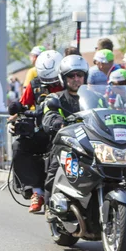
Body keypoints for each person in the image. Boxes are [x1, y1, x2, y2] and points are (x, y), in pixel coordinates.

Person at [11, 50, 64, 213]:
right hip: (42, 131)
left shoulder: (69, 82)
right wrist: (13, 121)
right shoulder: (34, 84)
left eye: (54, 80)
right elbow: (22, 105)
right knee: (19, 146)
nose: (51, 85)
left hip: (67, 131)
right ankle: (36, 191)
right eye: (47, 81)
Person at [42, 55, 90, 204]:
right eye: (71, 75)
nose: (76, 79)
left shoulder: (95, 97)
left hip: (91, 145)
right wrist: (56, 122)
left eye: (80, 75)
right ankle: (51, 204)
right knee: (56, 167)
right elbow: (48, 115)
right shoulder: (55, 98)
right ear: (64, 78)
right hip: (66, 146)